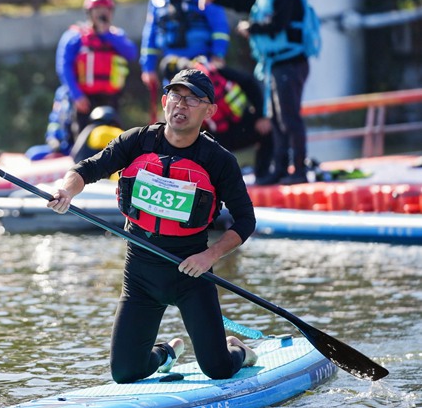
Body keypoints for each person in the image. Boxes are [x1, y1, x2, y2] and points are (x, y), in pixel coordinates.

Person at [47, 68, 258, 383]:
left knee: (218, 369)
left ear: (210, 111)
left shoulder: (218, 160)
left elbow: (246, 219)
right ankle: (166, 353)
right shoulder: (137, 141)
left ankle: (239, 349)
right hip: (141, 274)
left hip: (191, 272)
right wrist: (66, 190)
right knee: (125, 372)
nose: (181, 105)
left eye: (193, 99)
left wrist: (209, 256)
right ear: (164, 101)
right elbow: (87, 168)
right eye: (176, 96)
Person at [200, 0, 314, 185]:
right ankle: (280, 169)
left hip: (290, 64)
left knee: (289, 118)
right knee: (275, 120)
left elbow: (278, 25)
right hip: (276, 65)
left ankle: (300, 170)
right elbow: (243, 1)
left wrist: (250, 28)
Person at [140, 0, 231, 121]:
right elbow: (150, 34)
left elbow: (219, 25)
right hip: (172, 66)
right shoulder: (157, 1)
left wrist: (218, 54)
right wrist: (148, 68)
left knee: (201, 111)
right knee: (175, 113)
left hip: (202, 63)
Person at [161, 55, 273, 181]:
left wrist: (261, 116)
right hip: (217, 136)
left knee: (270, 130)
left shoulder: (216, 71)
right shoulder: (175, 101)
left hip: (241, 124)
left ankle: (263, 174)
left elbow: (248, 82)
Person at [55, 0, 138, 136]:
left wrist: (106, 33)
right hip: (85, 99)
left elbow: (131, 53)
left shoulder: (116, 35)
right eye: (98, 10)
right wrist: (77, 95)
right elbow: (64, 66)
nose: (102, 14)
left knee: (113, 138)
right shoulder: (75, 37)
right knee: (83, 136)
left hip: (111, 98)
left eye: (106, 10)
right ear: (89, 13)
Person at [25, 85, 74, 161]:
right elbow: (54, 120)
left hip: (75, 148)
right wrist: (52, 138)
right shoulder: (61, 93)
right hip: (61, 147)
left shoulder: (85, 92)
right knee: (32, 153)